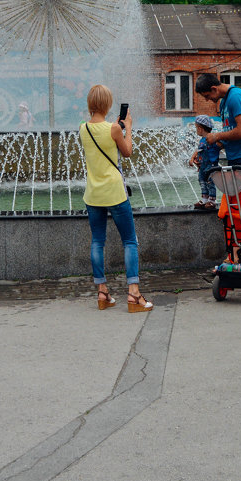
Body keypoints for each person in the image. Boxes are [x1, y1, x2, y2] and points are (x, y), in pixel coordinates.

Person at [80, 84, 150, 312]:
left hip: (93, 194)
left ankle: (102, 293)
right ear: (108, 104)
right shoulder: (114, 128)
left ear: (91, 104)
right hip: (115, 192)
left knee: (97, 242)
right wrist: (127, 127)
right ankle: (134, 294)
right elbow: (127, 152)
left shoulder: (83, 128)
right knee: (129, 241)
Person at [195, 73, 241, 186]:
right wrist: (204, 156)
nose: (207, 100)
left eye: (207, 96)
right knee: (235, 196)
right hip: (237, 155)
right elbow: (230, 132)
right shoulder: (224, 102)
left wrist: (216, 136)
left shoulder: (236, 97)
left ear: (214, 89)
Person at [189, 115, 221, 210]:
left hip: (211, 166)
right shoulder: (202, 140)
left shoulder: (212, 138)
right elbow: (198, 150)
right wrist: (193, 158)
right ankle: (204, 199)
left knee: (210, 182)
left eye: (196, 127)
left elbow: (220, 145)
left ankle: (212, 201)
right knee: (202, 181)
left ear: (200, 128)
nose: (196, 130)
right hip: (202, 166)